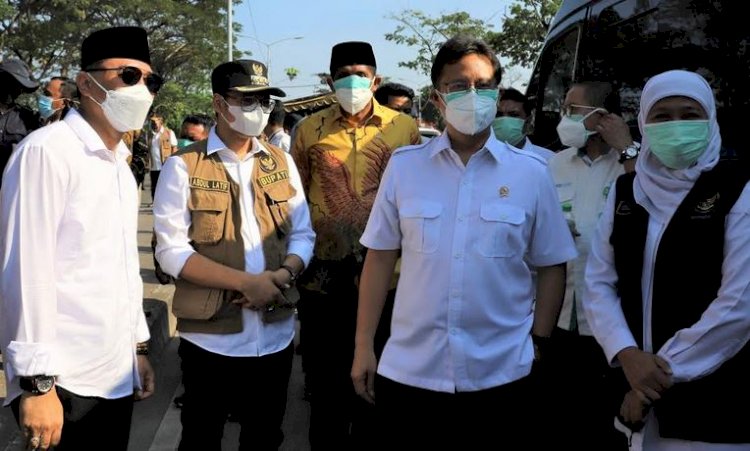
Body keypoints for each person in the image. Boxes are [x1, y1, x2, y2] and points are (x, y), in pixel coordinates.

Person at [350, 35, 577, 450]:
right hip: (411, 372)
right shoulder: (405, 168)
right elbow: (380, 258)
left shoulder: (531, 173)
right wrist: (364, 345)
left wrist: (539, 342)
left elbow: (552, 265)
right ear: (438, 98)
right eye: (458, 86)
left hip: (502, 374)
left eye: (483, 85)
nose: (473, 95)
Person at [0, 26, 159, 450]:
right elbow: (25, 273)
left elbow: (123, 271)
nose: (142, 89)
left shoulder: (120, 166)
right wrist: (36, 384)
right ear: (86, 83)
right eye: (128, 75)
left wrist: (137, 347)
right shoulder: (47, 152)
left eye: (149, 79)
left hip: (113, 373)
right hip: (65, 382)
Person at [153, 58, 315, 451]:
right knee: (201, 435)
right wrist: (247, 284)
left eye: (263, 100)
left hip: (274, 333)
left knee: (264, 436)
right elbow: (171, 251)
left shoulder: (281, 161)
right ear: (219, 104)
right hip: (212, 339)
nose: (258, 109)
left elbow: (303, 234)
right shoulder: (182, 166)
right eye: (247, 99)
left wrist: (280, 278)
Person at [583, 69, 750, 449]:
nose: (676, 125)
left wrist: (653, 379)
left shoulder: (738, 188)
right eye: (662, 116)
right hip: (631, 399)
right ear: (643, 122)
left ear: (710, 119)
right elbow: (598, 281)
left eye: (690, 115)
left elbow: (739, 304)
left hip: (713, 404)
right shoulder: (627, 190)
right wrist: (626, 353)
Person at [291, 40, 420, 450]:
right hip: (324, 278)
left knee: (378, 385)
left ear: (375, 79)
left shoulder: (404, 129)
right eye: (344, 74)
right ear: (330, 81)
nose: (353, 81)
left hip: (389, 278)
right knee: (327, 388)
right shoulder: (308, 130)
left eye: (361, 74)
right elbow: (295, 200)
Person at [547, 80, 637, 450]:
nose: (563, 118)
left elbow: (653, 202)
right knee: (566, 422)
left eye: (572, 110)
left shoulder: (631, 164)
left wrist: (627, 147)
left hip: (614, 326)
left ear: (601, 118)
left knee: (610, 430)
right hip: (558, 319)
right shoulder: (553, 164)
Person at [0, 58, 39, 186]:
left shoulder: (28, 118)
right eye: (10, 83)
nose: (16, 90)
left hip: (11, 187)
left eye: (19, 86)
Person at [493, 87, 556, 161]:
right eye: (499, 114)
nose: (504, 120)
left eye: (514, 115)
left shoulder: (548, 160)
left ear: (528, 121)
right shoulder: (480, 157)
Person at [146, 109, 177, 201]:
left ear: (161, 121)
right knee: (154, 185)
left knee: (166, 185)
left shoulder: (169, 133)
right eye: (152, 122)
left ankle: (166, 202)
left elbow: (174, 148)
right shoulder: (149, 134)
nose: (154, 124)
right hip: (154, 166)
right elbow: (148, 149)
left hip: (165, 164)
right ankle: (154, 203)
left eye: (156, 121)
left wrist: (173, 163)